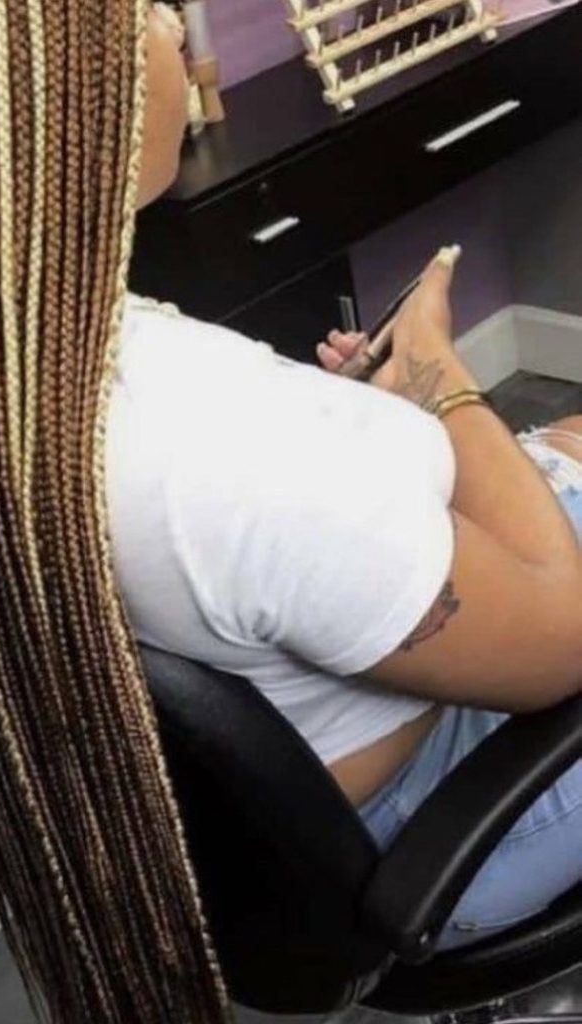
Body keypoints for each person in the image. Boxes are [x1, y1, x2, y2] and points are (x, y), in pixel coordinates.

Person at [109, 3, 582, 950]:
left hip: (252, 832)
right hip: (447, 817)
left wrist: (372, 425)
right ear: (75, 92)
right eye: (148, 11)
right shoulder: (217, 451)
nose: (170, 28)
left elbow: (277, 527)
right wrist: (434, 372)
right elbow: (560, 641)